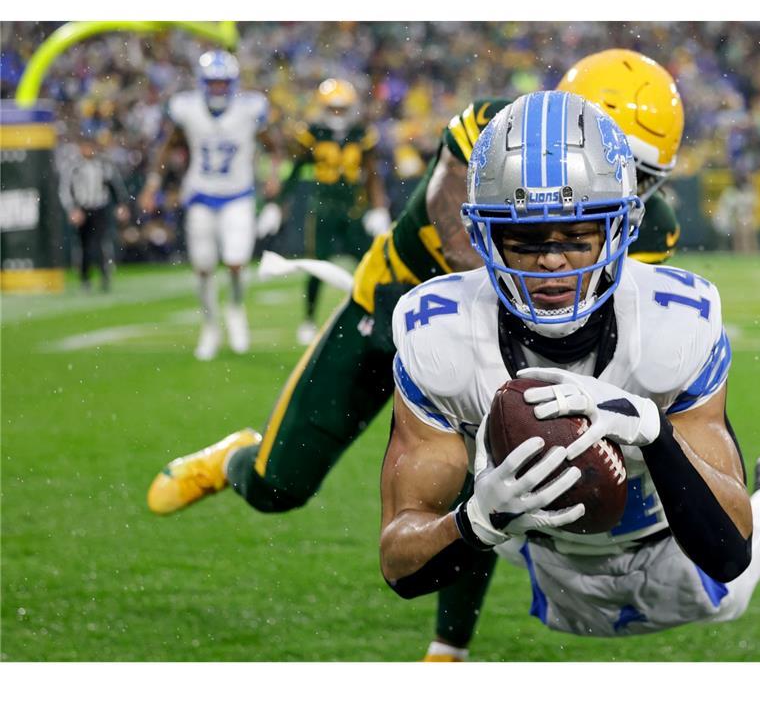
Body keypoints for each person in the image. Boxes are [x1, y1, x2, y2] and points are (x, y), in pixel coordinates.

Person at [146, 50, 686, 657]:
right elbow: (456, 235)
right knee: (280, 487)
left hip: (498, 343)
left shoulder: (647, 224)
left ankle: (447, 650)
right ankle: (232, 461)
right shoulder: (493, 132)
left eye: (642, 178)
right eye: (620, 162)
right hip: (387, 310)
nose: (625, 188)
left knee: (486, 479)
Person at [380, 91, 760, 640]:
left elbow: (729, 547)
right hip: (540, 536)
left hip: (658, 525)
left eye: (578, 236)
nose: (552, 261)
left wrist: (653, 431)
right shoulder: (441, 335)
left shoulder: (672, 324)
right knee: (569, 597)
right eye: (524, 238)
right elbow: (399, 561)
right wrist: (477, 521)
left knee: (722, 599)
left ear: (621, 227)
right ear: (482, 235)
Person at [138, 50, 283, 361]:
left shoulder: (248, 109)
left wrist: (272, 175)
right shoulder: (187, 109)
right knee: (203, 267)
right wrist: (153, 184)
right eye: (212, 83)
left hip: (238, 195)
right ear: (203, 84)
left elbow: (273, 145)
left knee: (235, 261)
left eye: (222, 83)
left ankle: (235, 309)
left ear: (232, 84)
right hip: (201, 194)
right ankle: (209, 326)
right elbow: (168, 146)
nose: (217, 89)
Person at [265, 78, 392, 345]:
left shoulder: (361, 134)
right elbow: (296, 170)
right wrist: (276, 205)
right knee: (317, 265)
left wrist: (379, 208)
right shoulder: (313, 133)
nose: (337, 115)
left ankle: (373, 315)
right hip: (322, 207)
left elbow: (371, 173)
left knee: (369, 265)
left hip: (353, 209)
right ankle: (309, 320)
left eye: (342, 109)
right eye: (333, 109)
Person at [58, 128, 130, 292]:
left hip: (100, 207)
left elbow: (115, 186)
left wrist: (121, 204)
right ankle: (85, 278)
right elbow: (65, 190)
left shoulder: (103, 164)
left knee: (101, 243)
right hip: (82, 209)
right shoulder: (73, 166)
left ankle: (105, 276)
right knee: (83, 246)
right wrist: (72, 210)